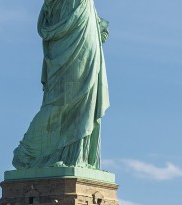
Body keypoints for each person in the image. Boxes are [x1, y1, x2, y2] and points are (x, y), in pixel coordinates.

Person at [12, 0, 110, 170]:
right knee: (61, 99)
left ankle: (77, 156)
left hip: (84, 20)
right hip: (66, 16)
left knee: (87, 96)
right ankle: (28, 154)